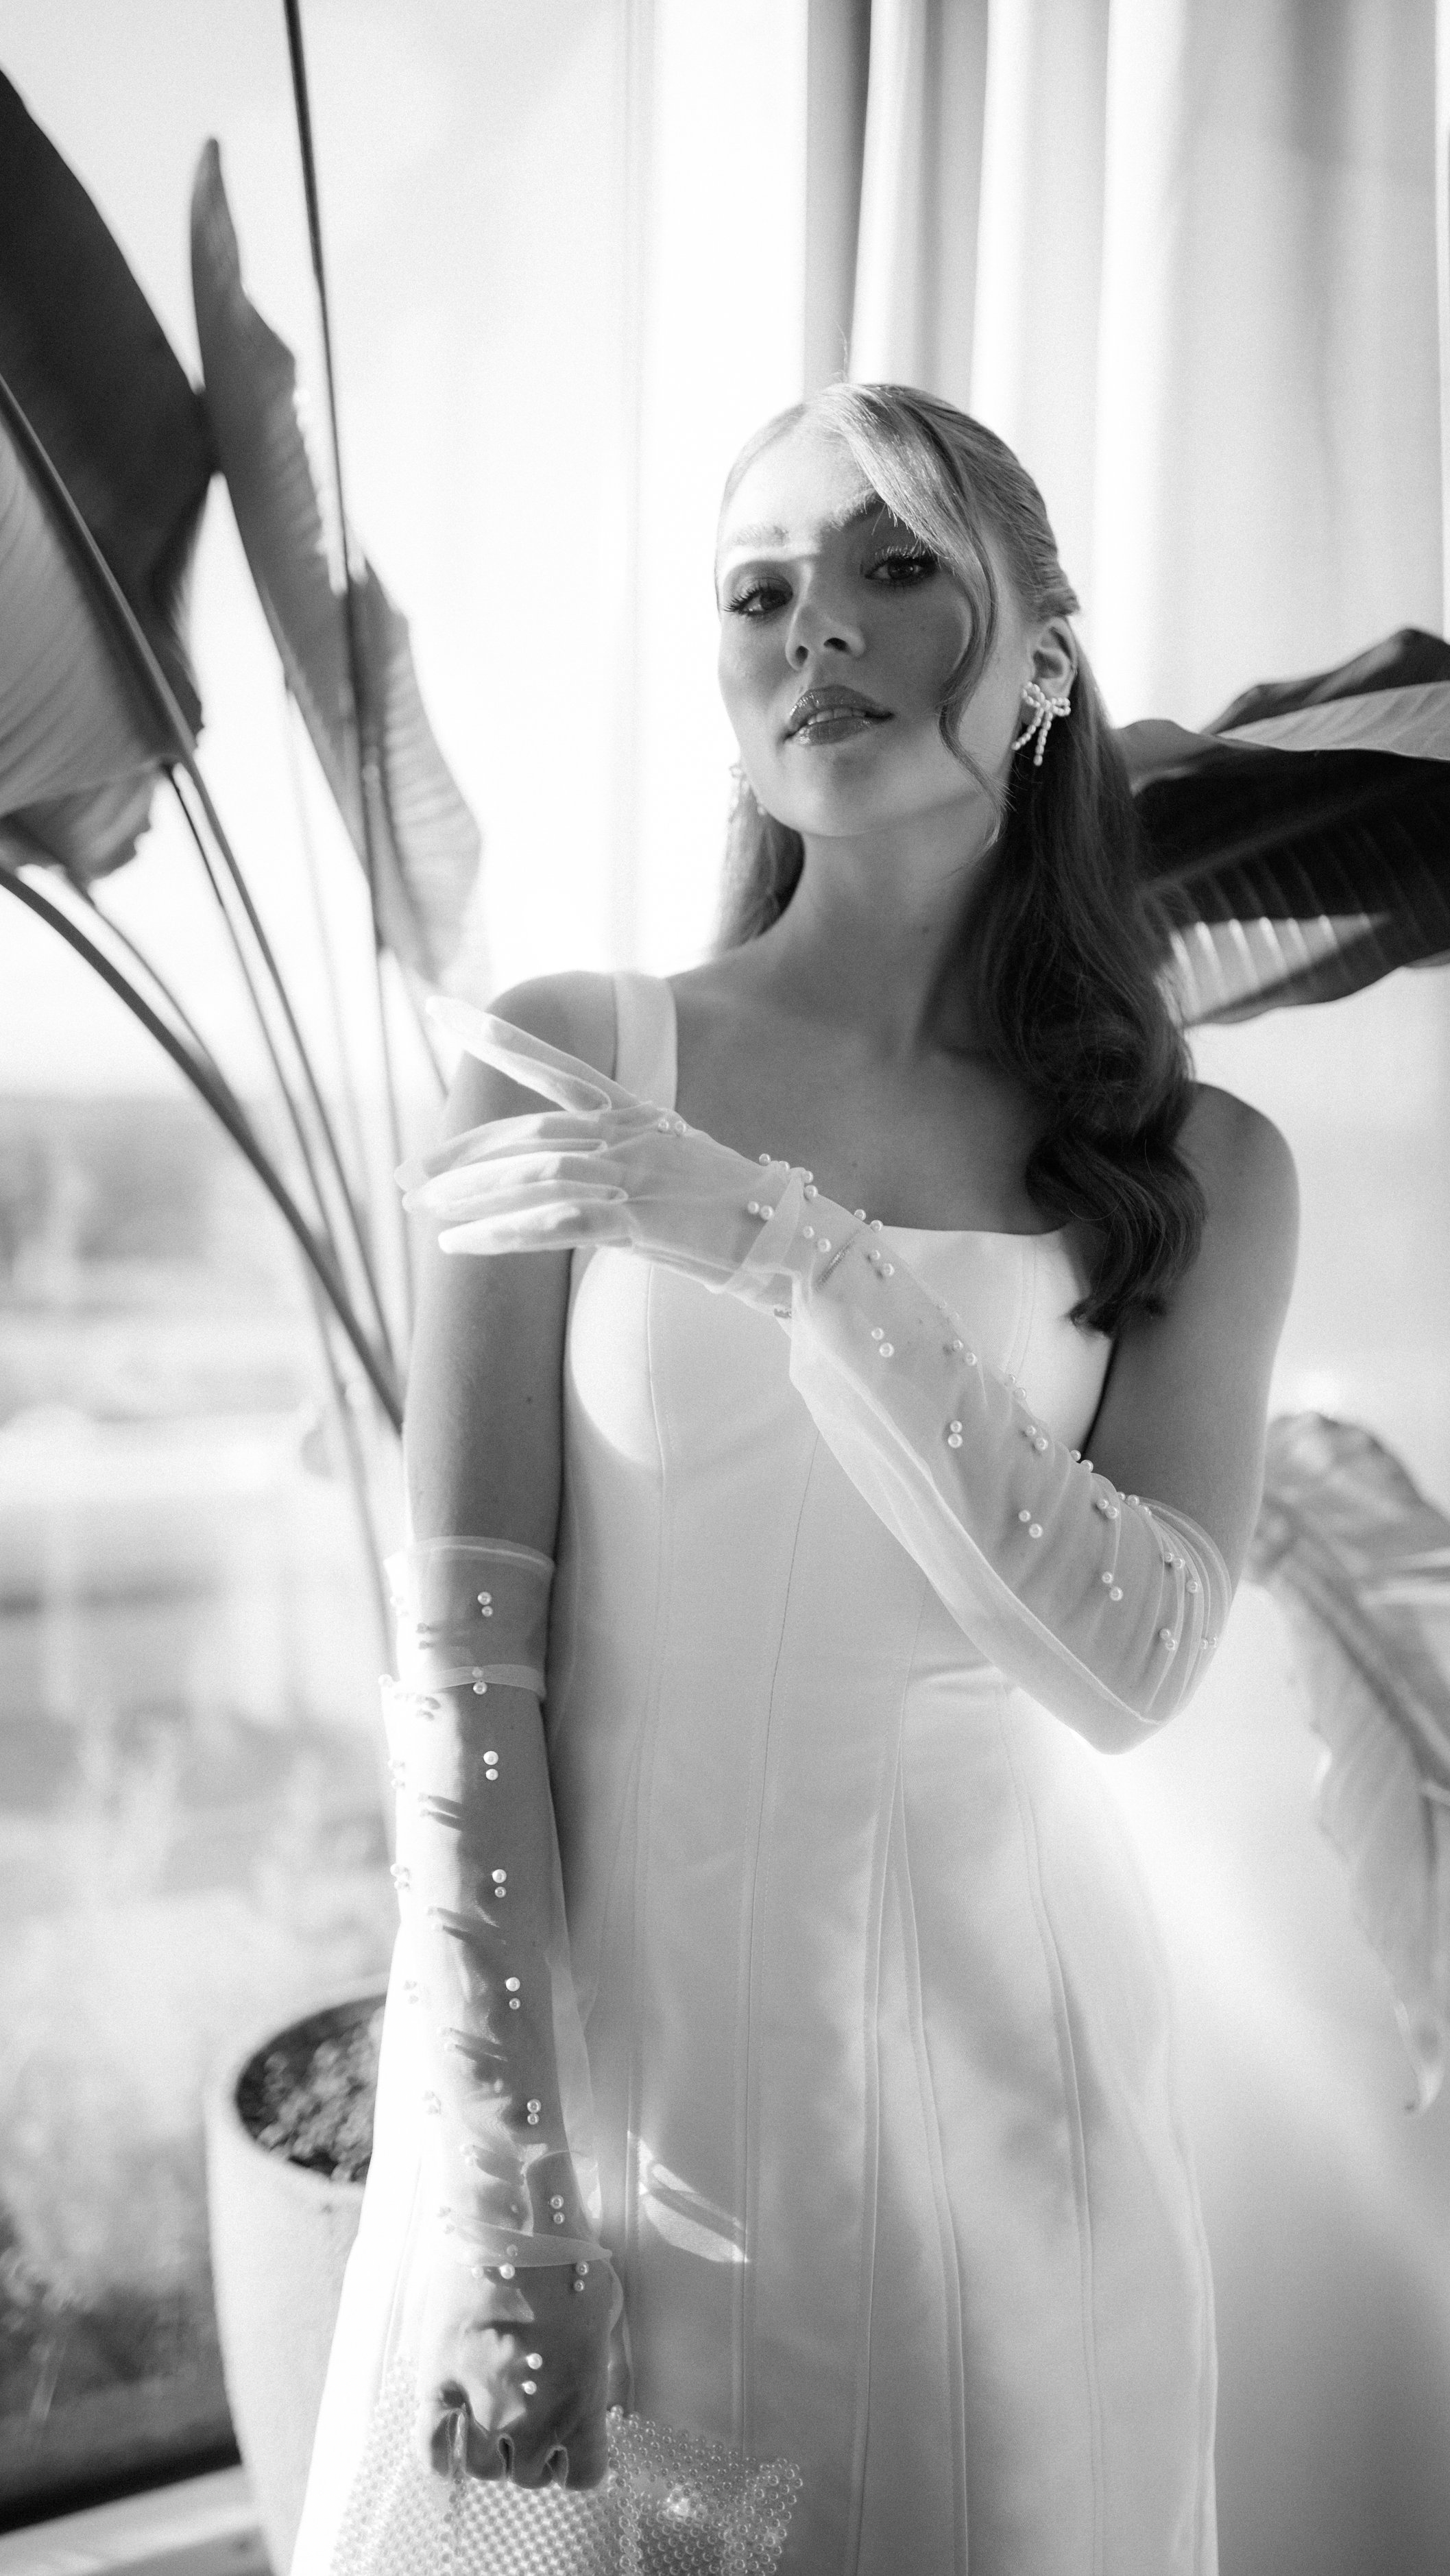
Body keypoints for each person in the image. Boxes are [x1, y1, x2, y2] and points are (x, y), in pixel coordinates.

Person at [291, 382, 1298, 2576]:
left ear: (1040, 660)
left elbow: (1126, 1669)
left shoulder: (1203, 1168)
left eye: (891, 567)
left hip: (1016, 2157)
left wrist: (787, 1250)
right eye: (759, 590)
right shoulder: (567, 1055)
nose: (814, 627)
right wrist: (509, 2201)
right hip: (607, 2138)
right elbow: (466, 1689)